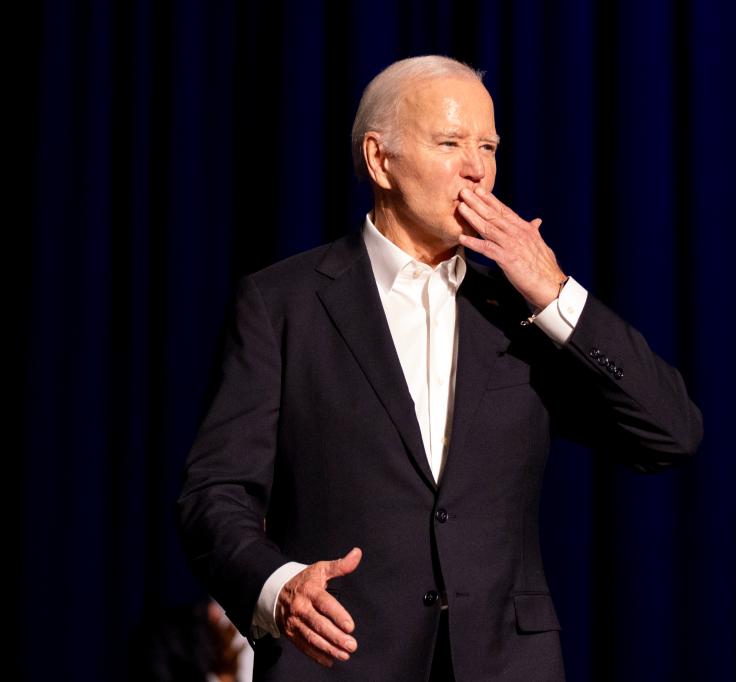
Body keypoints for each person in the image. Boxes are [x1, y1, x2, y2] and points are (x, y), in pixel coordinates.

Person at [178, 55, 702, 681]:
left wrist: (556, 293)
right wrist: (278, 586)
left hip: (506, 665)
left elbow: (671, 432)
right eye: (451, 142)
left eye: (488, 146)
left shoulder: (518, 312)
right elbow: (215, 494)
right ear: (380, 161)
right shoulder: (281, 304)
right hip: (341, 661)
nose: (477, 168)